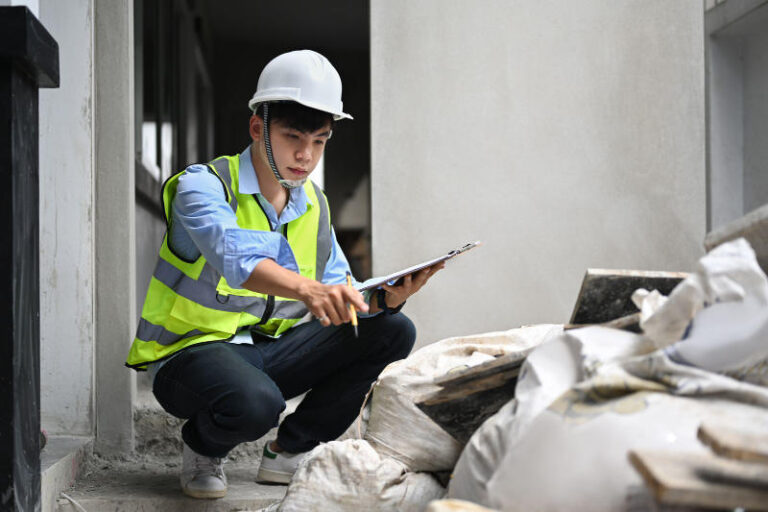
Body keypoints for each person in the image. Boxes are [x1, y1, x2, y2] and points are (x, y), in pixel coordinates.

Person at [125, 49, 443, 499]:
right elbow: (235, 259)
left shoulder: (314, 205)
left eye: (319, 141)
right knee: (257, 403)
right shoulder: (203, 186)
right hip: (191, 359)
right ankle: (201, 446)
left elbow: (340, 291)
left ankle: (290, 449)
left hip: (269, 353)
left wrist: (384, 299)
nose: (305, 155)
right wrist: (307, 290)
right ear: (258, 128)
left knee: (392, 329)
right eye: (294, 137)